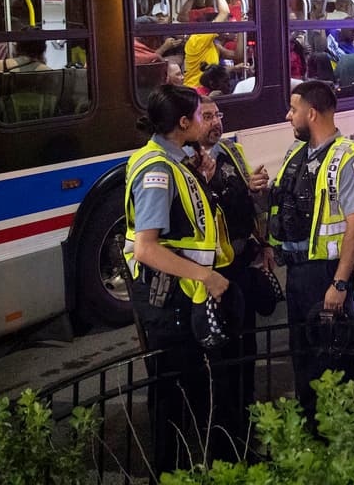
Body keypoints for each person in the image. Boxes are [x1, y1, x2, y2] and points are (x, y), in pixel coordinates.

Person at [122, 85, 236, 472]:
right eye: (202, 115)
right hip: (169, 300)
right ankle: (170, 474)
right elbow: (146, 248)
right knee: (172, 403)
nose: (208, 121)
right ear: (184, 123)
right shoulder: (157, 169)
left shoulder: (174, 160)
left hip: (180, 296)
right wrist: (206, 276)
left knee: (190, 396)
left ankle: (193, 468)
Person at [267, 81, 354, 419]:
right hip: (297, 272)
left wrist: (340, 283)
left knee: (333, 356)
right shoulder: (296, 153)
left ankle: (338, 432)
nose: (289, 116)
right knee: (303, 356)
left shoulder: (350, 158)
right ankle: (310, 428)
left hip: (327, 275)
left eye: (293, 109)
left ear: (311, 113)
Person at [194, 96, 272, 446]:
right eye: (207, 116)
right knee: (219, 359)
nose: (216, 122)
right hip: (212, 275)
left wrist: (264, 241)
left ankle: (245, 425)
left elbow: (250, 206)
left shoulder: (232, 152)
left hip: (241, 267)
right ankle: (221, 436)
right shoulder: (188, 163)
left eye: (218, 114)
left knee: (246, 351)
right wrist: (207, 183)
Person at [183, 0, 241, 87]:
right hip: (196, 88)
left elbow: (212, 71)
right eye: (224, 25)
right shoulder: (199, 38)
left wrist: (234, 68)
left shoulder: (212, 44)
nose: (227, 30)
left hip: (208, 87)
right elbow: (224, 12)